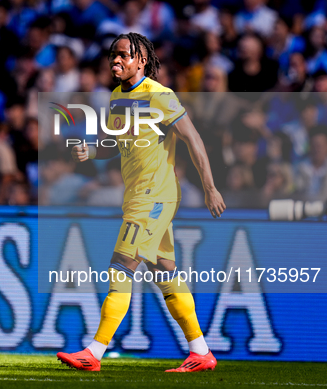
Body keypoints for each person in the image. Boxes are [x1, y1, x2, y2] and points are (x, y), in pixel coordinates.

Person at [57, 32, 226, 373]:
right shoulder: (118, 97)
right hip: (137, 195)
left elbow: (193, 140)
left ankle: (95, 351)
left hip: (155, 195)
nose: (115, 61)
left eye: (123, 55)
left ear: (141, 60)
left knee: (121, 265)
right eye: (113, 55)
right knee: (166, 273)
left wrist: (210, 187)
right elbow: (115, 143)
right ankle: (200, 352)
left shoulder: (160, 96)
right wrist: (91, 150)